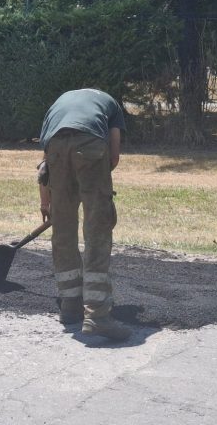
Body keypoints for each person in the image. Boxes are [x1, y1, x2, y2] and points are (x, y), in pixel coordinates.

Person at [37, 88, 130, 341]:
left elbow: (44, 165)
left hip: (56, 148)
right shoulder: (111, 104)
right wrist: (94, 184)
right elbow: (113, 155)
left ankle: (70, 305)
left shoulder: (58, 105)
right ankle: (97, 315)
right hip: (91, 146)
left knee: (63, 230)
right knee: (97, 229)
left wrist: (47, 202)